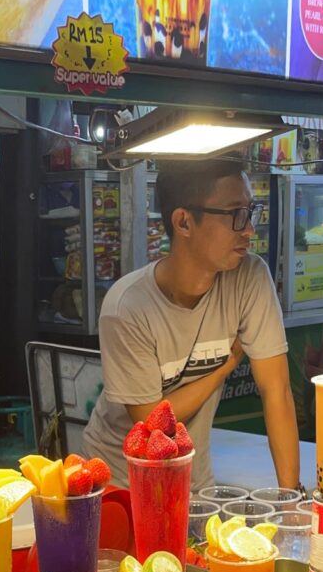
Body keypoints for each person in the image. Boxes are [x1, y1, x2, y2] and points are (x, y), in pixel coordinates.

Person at [83, 160, 301, 493]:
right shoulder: (127, 307)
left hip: (192, 481)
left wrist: (292, 499)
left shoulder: (250, 277)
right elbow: (151, 422)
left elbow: (278, 392)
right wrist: (222, 369)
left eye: (250, 212)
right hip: (122, 482)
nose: (249, 230)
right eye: (235, 214)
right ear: (184, 222)